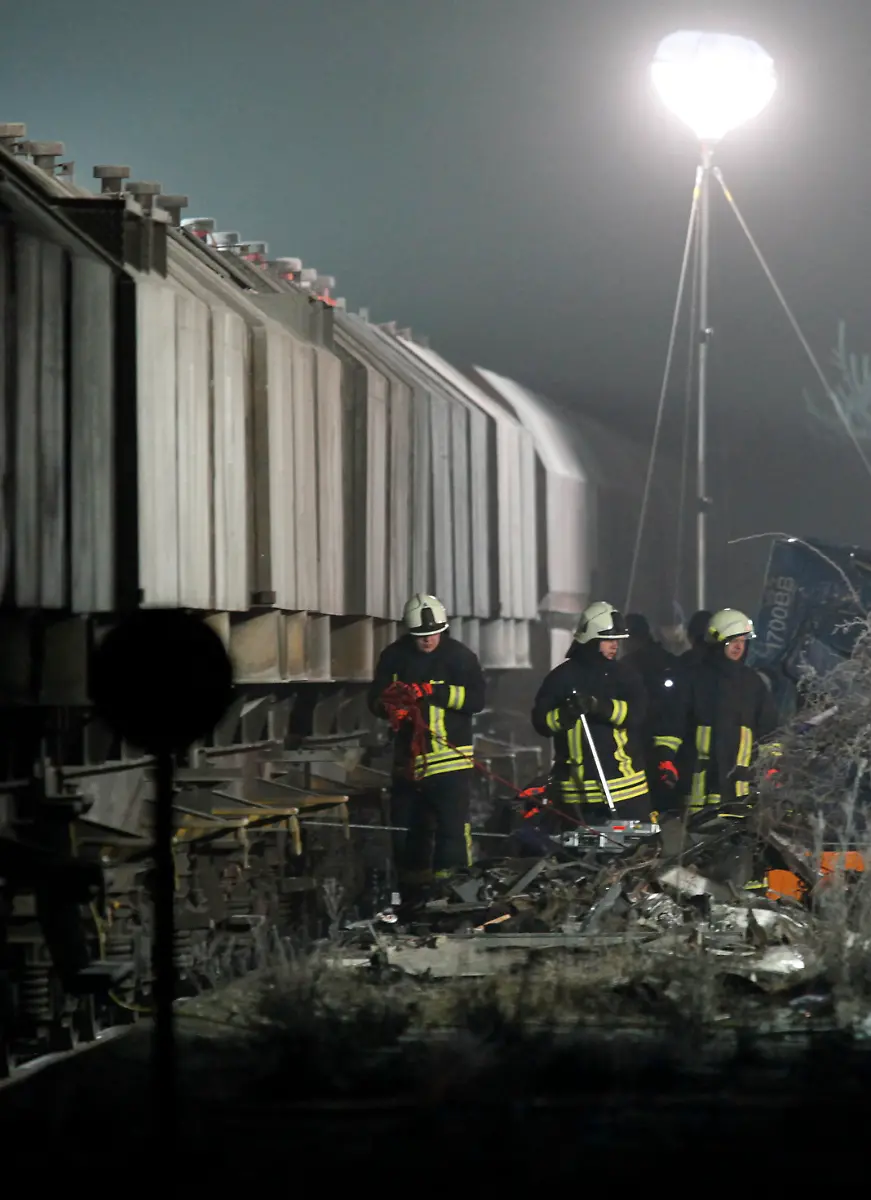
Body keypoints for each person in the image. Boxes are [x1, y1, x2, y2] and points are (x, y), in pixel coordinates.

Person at [367, 592, 486, 903]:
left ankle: (456, 892)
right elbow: (375, 701)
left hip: (450, 762)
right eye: (420, 635)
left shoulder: (459, 657)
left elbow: (476, 700)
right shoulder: (394, 657)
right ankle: (413, 897)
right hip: (409, 765)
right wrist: (391, 706)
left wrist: (436, 692)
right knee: (409, 833)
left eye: (433, 634)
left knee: (452, 831)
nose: (427, 640)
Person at [531, 601, 651, 822]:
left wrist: (599, 707)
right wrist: (566, 713)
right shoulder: (562, 678)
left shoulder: (625, 676)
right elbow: (542, 723)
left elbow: (638, 713)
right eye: (608, 639)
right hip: (575, 794)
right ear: (591, 638)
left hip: (624, 790)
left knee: (635, 850)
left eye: (617, 640)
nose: (615, 645)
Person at [653, 608, 782, 813]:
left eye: (743, 640)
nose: (738, 646)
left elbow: (769, 730)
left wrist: (773, 766)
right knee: (697, 842)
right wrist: (666, 760)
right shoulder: (694, 679)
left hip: (740, 790)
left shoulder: (753, 683)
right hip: (699, 789)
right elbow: (672, 726)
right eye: (732, 640)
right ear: (717, 641)